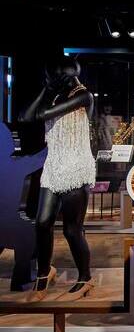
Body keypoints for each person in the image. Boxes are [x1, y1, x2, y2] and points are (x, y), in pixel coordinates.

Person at [19, 56, 98, 302]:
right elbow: (24, 117)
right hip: (54, 166)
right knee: (42, 223)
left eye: (49, 77)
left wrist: (47, 91)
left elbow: (42, 115)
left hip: (75, 168)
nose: (47, 80)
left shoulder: (84, 96)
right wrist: (46, 89)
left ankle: (85, 278)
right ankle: (44, 272)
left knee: (72, 230)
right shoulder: (54, 95)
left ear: (62, 76)